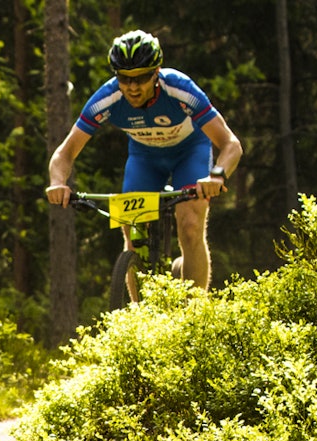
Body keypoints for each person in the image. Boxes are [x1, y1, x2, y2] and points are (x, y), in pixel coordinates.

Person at [46, 30, 243, 297]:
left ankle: (196, 315)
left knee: (190, 225)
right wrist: (58, 183)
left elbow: (231, 144)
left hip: (189, 152)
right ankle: (143, 322)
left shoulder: (179, 88)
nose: (132, 87)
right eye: (125, 78)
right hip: (145, 159)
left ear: (156, 72)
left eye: (141, 77)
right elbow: (65, 153)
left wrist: (217, 176)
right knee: (133, 234)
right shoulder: (107, 97)